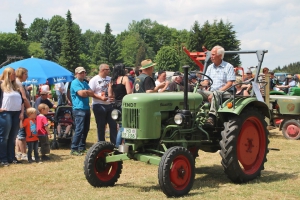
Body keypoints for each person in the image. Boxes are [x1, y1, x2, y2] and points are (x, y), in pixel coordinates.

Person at [201, 45, 236, 127]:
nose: (211, 56)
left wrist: (215, 93)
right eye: (211, 54)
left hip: (226, 92)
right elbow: (206, 81)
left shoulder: (228, 66)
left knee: (216, 93)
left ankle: (211, 117)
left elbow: (230, 83)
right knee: (198, 93)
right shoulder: (210, 67)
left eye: (213, 54)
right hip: (212, 91)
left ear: (220, 56)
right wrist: (199, 84)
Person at [70, 66, 100, 156]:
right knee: (79, 129)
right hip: (78, 109)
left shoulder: (85, 83)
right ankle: (74, 148)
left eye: (84, 72)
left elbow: (92, 92)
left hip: (86, 108)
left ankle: (81, 147)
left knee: (86, 129)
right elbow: (82, 94)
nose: (83, 74)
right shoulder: (74, 82)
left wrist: (87, 92)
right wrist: (87, 92)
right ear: (76, 74)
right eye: (81, 73)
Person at [0, 67, 24, 166]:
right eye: (13, 74)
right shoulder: (1, 86)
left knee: (12, 137)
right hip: (6, 113)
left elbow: (22, 101)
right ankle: (3, 158)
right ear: (8, 75)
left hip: (16, 113)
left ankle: (11, 157)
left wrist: (22, 113)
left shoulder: (16, 87)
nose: (15, 75)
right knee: (4, 137)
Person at [89, 64, 118, 144]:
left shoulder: (110, 79)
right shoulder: (94, 80)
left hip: (110, 105)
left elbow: (114, 90)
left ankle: (114, 144)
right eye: (108, 69)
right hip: (99, 105)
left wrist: (113, 97)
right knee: (101, 126)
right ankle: (101, 144)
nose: (109, 71)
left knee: (113, 125)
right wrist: (100, 98)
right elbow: (90, 93)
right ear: (102, 70)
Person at [108, 63, 132, 147]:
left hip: (115, 104)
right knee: (124, 126)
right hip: (124, 104)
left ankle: (122, 144)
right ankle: (118, 146)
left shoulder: (112, 80)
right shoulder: (124, 78)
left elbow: (110, 95)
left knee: (120, 125)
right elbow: (129, 92)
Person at [15, 67, 31, 161]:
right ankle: (24, 153)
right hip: (22, 111)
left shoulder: (16, 83)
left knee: (18, 134)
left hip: (18, 110)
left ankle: (19, 153)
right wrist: (30, 109)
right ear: (21, 74)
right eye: (25, 74)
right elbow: (24, 99)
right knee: (22, 134)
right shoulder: (19, 84)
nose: (27, 76)